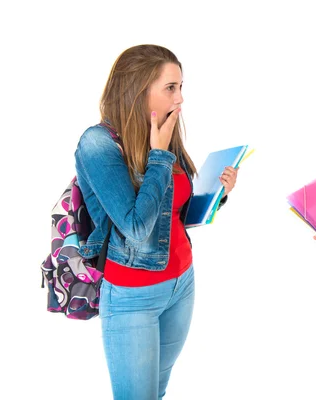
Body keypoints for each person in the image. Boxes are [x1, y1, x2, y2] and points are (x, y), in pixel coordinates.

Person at [74, 44, 239, 400]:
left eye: (181, 87)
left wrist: (217, 197)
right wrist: (160, 155)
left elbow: (174, 215)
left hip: (182, 284)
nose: (180, 99)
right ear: (138, 88)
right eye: (171, 88)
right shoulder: (97, 145)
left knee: (156, 392)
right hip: (133, 297)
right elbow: (136, 229)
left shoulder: (164, 130)